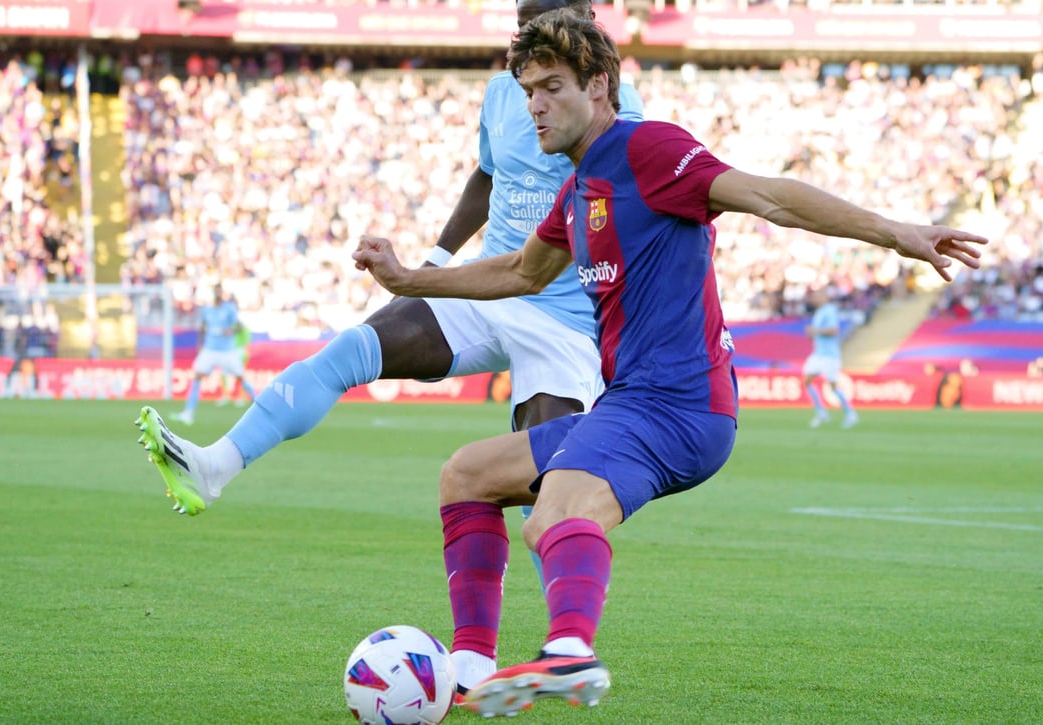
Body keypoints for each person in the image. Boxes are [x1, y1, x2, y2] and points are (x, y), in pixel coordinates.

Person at [351, 10, 986, 717]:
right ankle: (469, 670)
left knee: (552, 513)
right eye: (529, 90)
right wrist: (411, 279)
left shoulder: (647, 148)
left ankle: (570, 650)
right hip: (636, 403)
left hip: (677, 404)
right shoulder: (580, 188)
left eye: (552, 87)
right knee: (467, 475)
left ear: (599, 86)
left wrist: (896, 232)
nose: (534, 105)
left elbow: (771, 196)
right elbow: (521, 272)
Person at [134, 0, 644, 698]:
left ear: (583, 21)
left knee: (545, 487)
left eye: (541, 22)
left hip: (563, 317)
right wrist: (435, 258)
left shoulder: (616, 107)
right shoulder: (507, 91)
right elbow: (488, 175)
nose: (526, 45)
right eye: (520, 26)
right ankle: (214, 465)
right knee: (353, 348)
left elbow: (631, 210)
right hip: (485, 286)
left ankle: (562, 651)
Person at [170, 284, 256, 425]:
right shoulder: (207, 310)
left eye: (219, 291)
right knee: (197, 376)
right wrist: (199, 344)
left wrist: (231, 330)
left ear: (222, 293)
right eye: (216, 291)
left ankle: (259, 404)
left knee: (240, 378)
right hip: (209, 349)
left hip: (227, 351)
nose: (217, 294)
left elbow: (239, 326)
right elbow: (203, 327)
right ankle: (188, 414)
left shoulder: (229, 308)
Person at [802, 286, 858, 429]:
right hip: (818, 354)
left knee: (833, 387)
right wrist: (811, 334)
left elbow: (834, 331)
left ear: (825, 297)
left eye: (817, 296)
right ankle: (821, 412)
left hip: (830, 355)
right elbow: (816, 334)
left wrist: (815, 331)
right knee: (807, 381)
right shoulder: (819, 312)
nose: (814, 298)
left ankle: (850, 413)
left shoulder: (830, 310)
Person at [216, 322, 252, 407]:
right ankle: (225, 395)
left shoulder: (241, 327)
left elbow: (241, 332)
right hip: (229, 352)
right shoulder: (230, 326)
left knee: (239, 375)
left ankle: (241, 396)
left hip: (240, 353)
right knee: (223, 373)